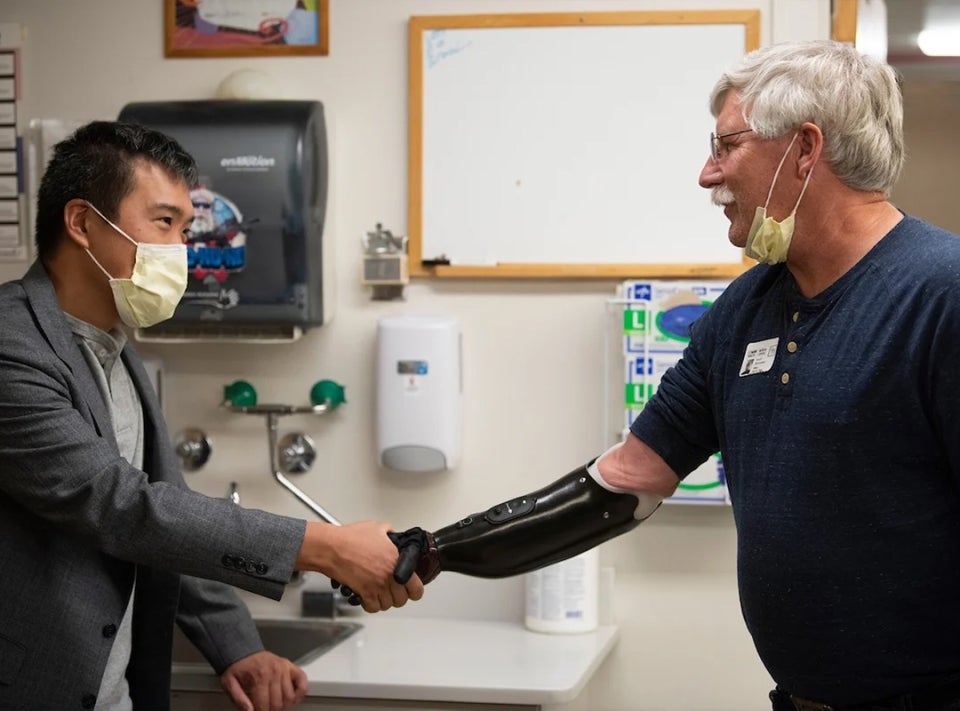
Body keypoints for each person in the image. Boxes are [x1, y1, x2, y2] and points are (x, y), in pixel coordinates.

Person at [389, 40, 960, 710]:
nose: (706, 174)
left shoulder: (941, 294)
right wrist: (437, 549)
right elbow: (626, 480)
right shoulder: (743, 311)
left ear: (805, 149)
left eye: (726, 146)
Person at [0, 121, 424, 711]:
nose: (182, 249)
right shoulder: (11, 345)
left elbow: (163, 509)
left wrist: (236, 645)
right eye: (165, 223)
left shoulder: (121, 351)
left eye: (187, 229)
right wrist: (323, 546)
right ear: (82, 223)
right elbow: (121, 506)